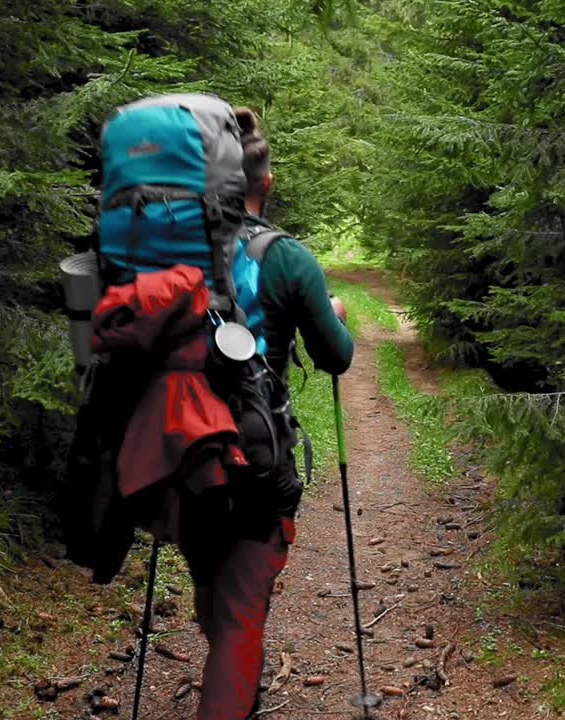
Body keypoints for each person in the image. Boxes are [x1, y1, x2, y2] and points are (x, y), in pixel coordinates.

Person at [173, 106, 354, 720]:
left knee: (213, 583)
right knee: (244, 611)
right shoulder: (288, 259)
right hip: (255, 460)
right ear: (265, 183)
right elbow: (336, 357)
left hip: (182, 455)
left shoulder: (172, 253)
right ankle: (233, 688)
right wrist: (334, 312)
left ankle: (233, 672)